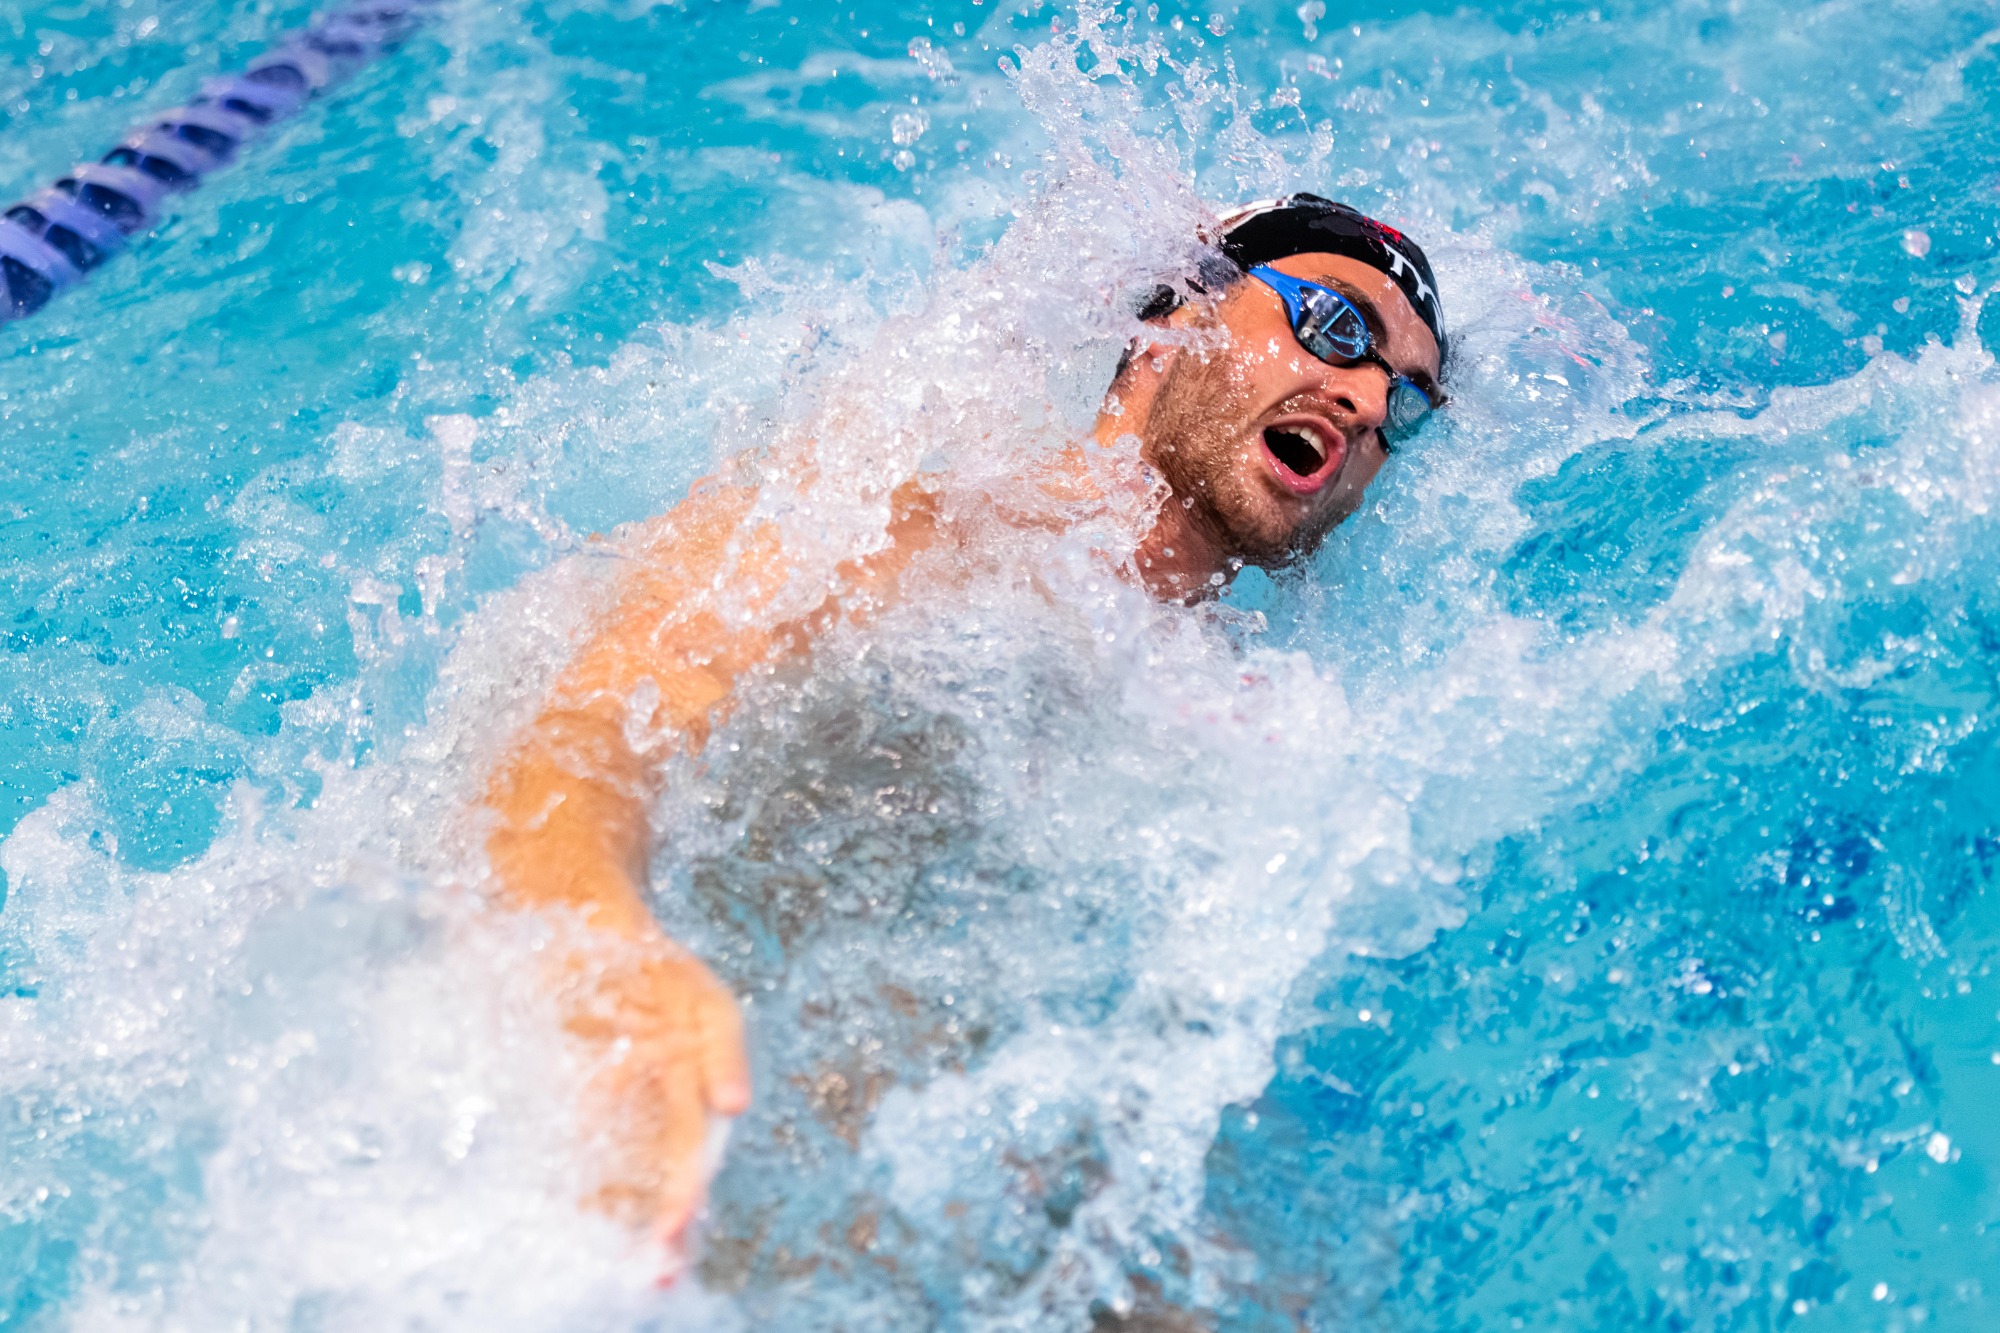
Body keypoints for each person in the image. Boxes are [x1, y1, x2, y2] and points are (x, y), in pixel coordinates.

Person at [476, 193, 1450, 1254]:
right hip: (717, 1136)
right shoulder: (905, 533)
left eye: (1406, 402)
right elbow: (582, 726)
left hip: (975, 1196)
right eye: (1335, 326)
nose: (1362, 398)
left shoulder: (1252, 716)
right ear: (1172, 320)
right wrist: (607, 961)